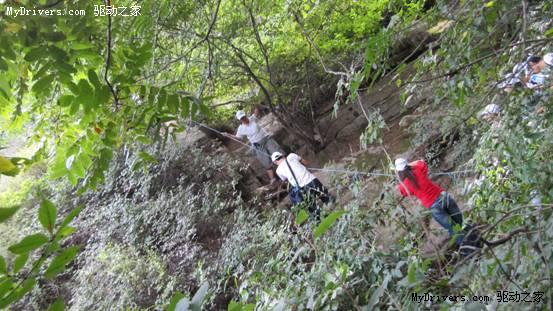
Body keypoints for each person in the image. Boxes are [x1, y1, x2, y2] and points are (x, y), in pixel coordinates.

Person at [394, 158, 464, 246]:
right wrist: (409, 164)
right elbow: (421, 162)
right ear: (407, 165)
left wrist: (399, 181)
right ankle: (471, 238)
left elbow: (403, 192)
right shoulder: (418, 169)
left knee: (453, 229)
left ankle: (467, 249)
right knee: (459, 222)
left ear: (399, 171)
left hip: (434, 207)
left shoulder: (403, 186)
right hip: (444, 197)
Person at [224, 109, 282, 186]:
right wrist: (228, 135)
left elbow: (256, 112)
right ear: (240, 120)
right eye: (241, 118)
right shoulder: (241, 128)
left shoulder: (252, 118)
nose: (244, 119)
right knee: (265, 161)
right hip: (257, 145)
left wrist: (256, 107)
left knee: (277, 153)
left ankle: (286, 167)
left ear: (245, 115)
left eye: (244, 117)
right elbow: (238, 138)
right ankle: (273, 179)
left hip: (266, 139)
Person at [271, 151, 333, 220]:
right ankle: (337, 211)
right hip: (312, 180)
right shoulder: (292, 156)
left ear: (274, 162)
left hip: (302, 189)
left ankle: (323, 220)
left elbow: (286, 180)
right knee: (327, 198)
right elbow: (306, 163)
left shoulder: (278, 171)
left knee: (313, 208)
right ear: (282, 155)